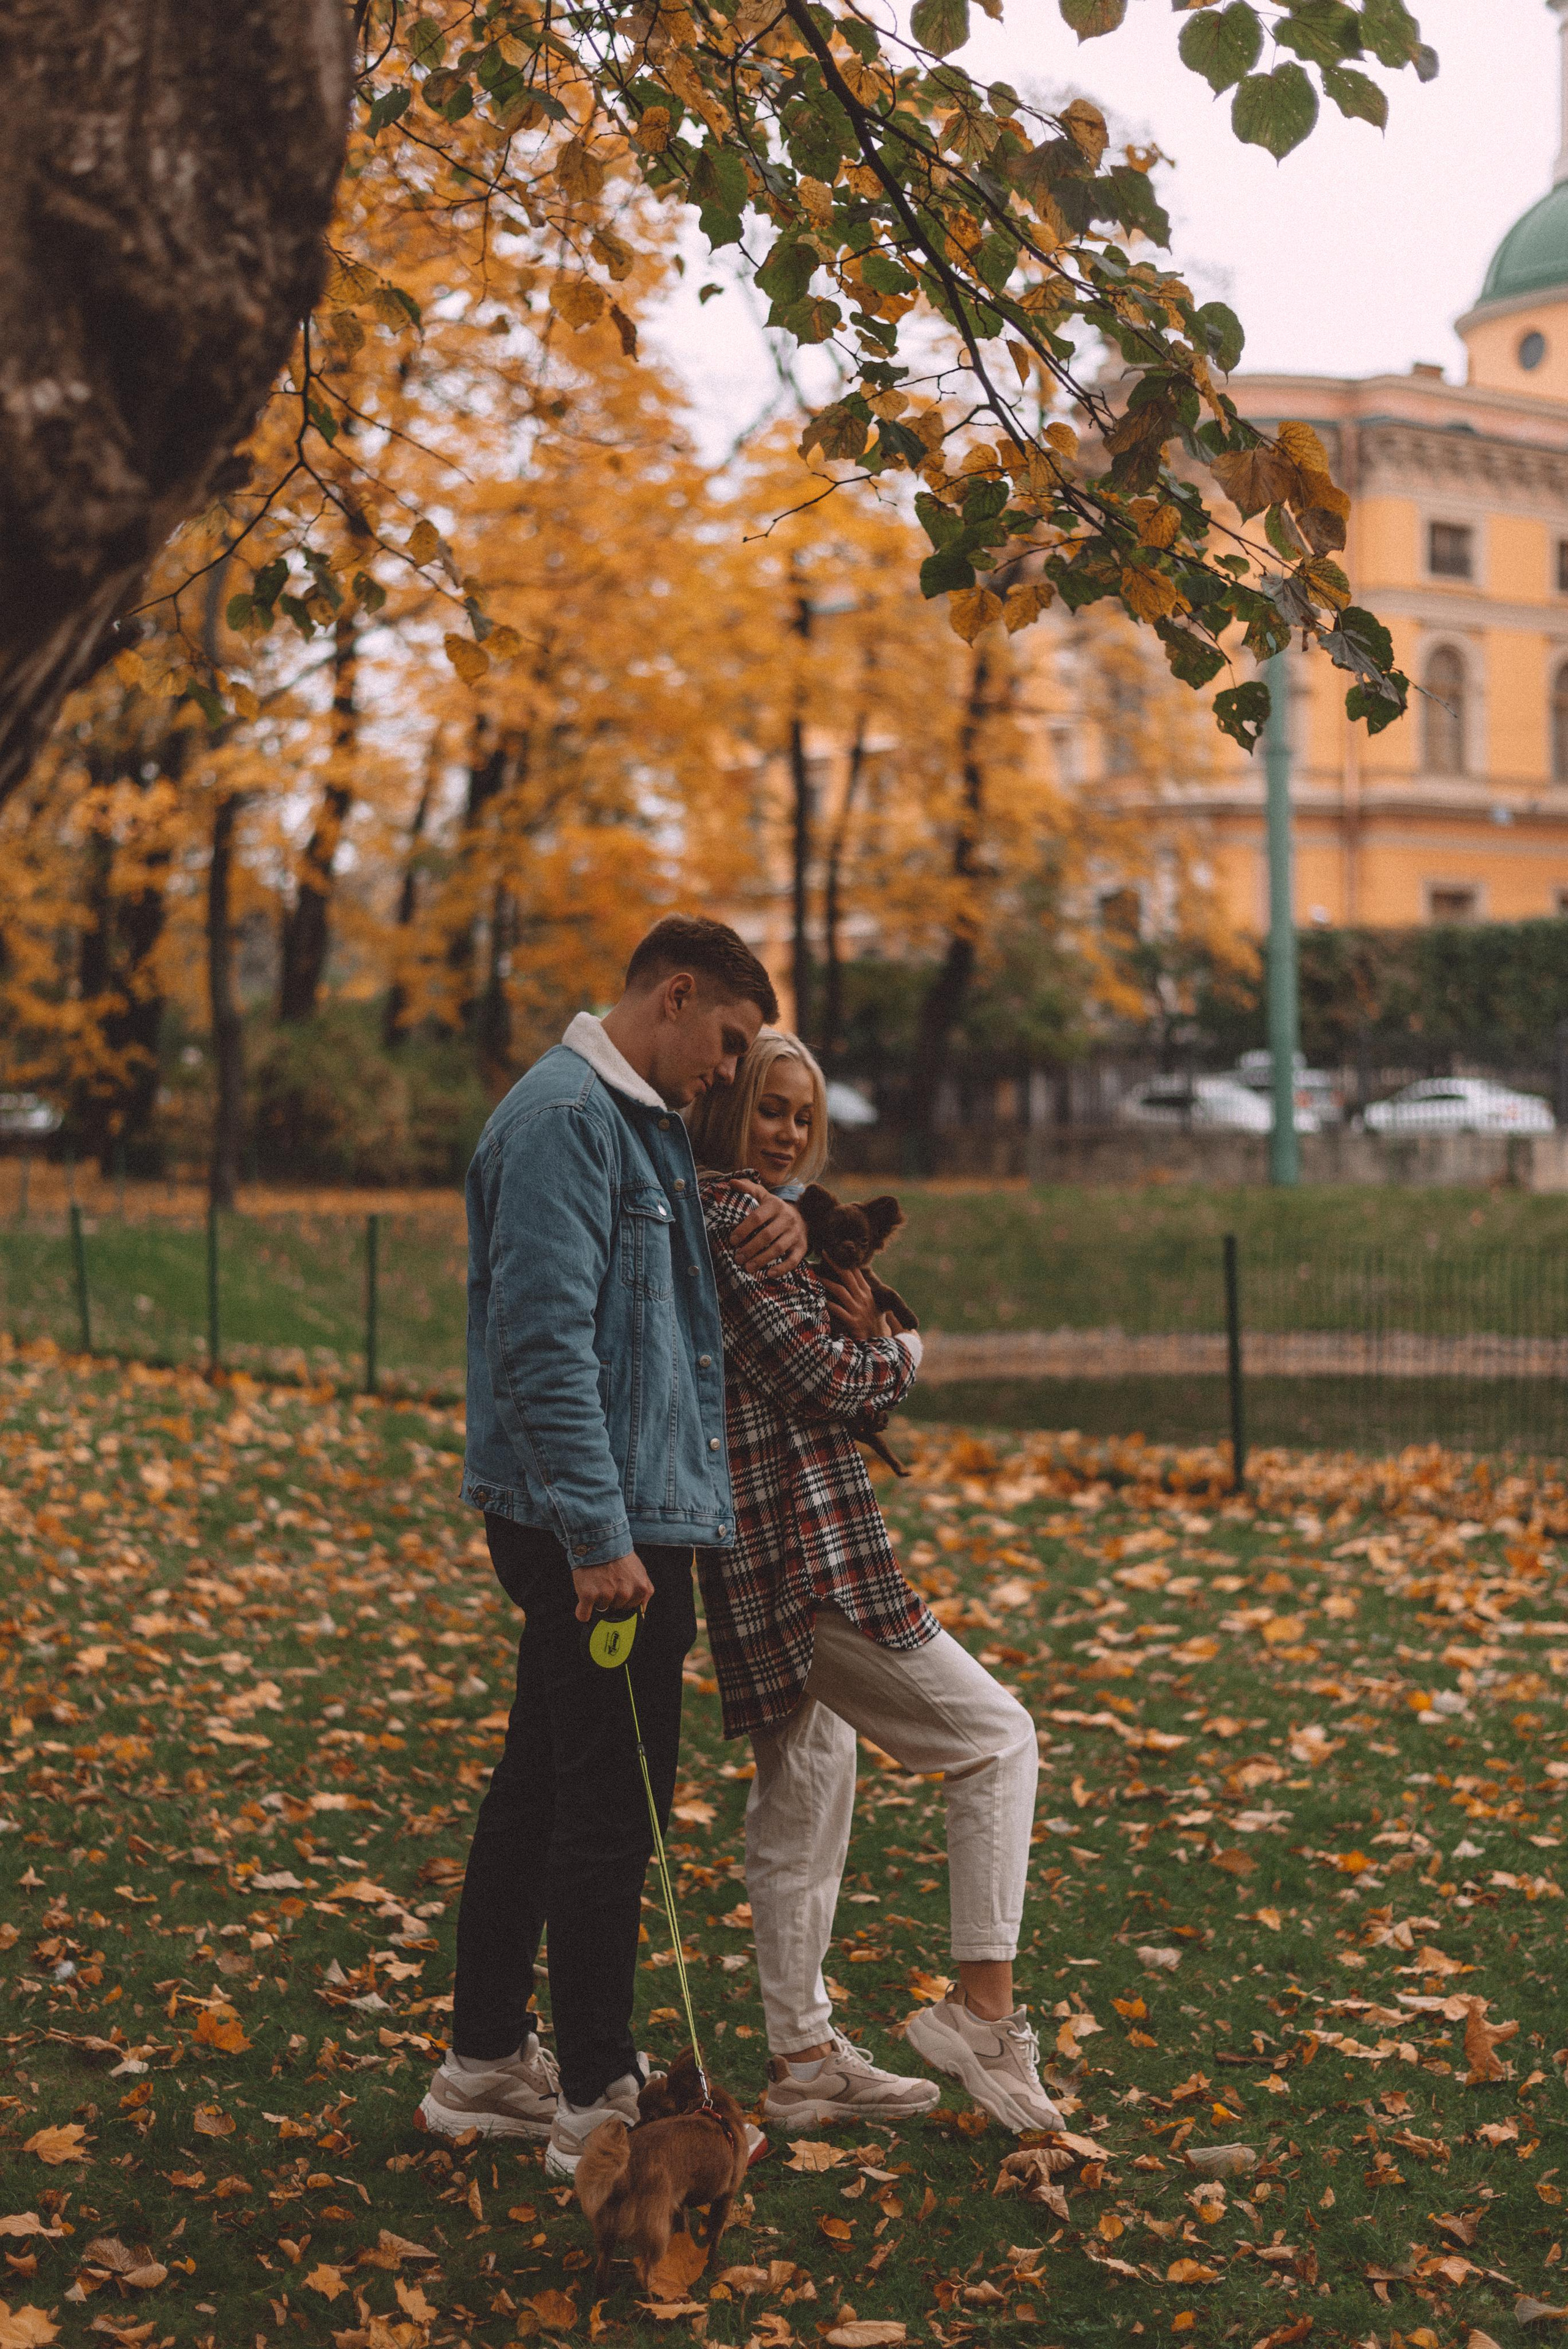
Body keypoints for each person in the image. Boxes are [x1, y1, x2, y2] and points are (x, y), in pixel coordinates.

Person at [418, 918, 806, 2177]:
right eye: (730, 1043)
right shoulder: (563, 1120)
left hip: (626, 1521)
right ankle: (594, 2094)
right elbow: (541, 1345)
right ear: (675, 996)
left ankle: (482, 2062)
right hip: (598, 1533)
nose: (731, 1073)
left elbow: (671, 1277)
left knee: (543, 1786)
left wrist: (776, 1224)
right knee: (608, 1811)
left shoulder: (628, 1120)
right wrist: (596, 1537)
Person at [687, 1033, 1063, 2135]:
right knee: (997, 1738)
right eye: (768, 1110)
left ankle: (802, 2059)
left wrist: (863, 1341)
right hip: (804, 1556)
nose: (787, 1134)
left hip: (767, 1551)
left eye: (803, 1117)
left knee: (805, 1788)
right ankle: (981, 2014)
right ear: (729, 1112)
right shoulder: (734, 1222)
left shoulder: (773, 1216)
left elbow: (828, 1375)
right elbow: (824, 1372)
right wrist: (908, 1351)